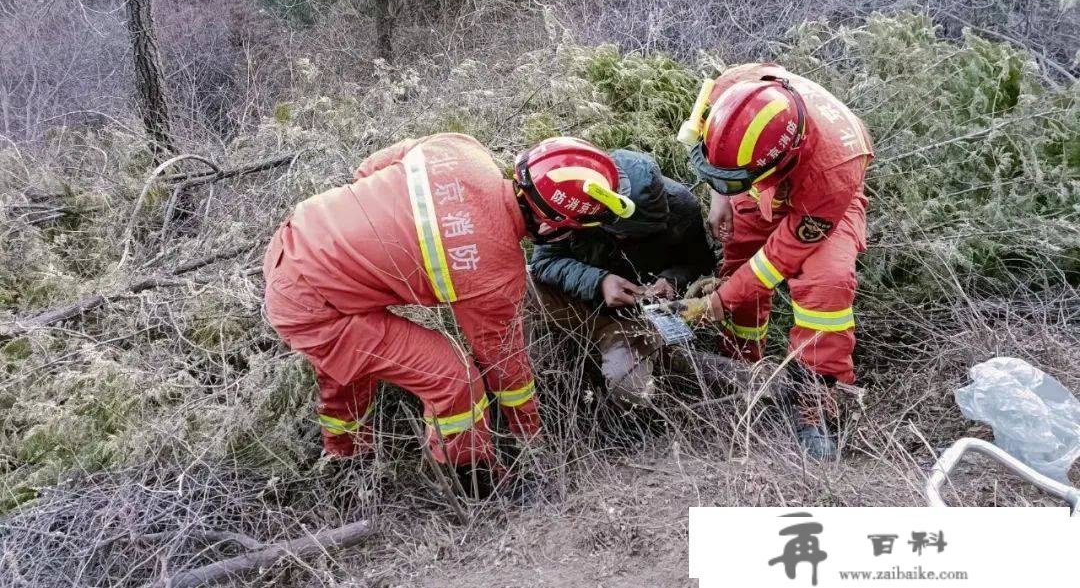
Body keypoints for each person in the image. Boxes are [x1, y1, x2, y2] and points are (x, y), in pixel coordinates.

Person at [262, 133, 636, 495]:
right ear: (550, 227)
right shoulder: (494, 272)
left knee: (354, 363)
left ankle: (343, 458)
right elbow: (504, 366)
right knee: (455, 379)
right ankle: (474, 479)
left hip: (295, 241)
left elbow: (367, 171)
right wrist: (530, 435)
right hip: (314, 309)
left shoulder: (458, 148)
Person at [676, 63, 873, 458]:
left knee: (826, 285)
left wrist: (718, 302)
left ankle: (817, 400)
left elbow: (777, 260)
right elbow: (700, 128)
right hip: (754, 180)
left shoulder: (834, 169)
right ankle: (742, 371)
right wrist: (722, 193)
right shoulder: (737, 89)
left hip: (822, 196)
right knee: (736, 267)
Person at [529, 148, 714, 404]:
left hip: (631, 319)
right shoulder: (577, 199)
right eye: (615, 231)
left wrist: (670, 280)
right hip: (573, 302)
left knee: (633, 390)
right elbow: (543, 262)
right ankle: (538, 374)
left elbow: (698, 263)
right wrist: (598, 281)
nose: (621, 239)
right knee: (517, 289)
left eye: (631, 235)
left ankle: (660, 363)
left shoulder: (682, 209)